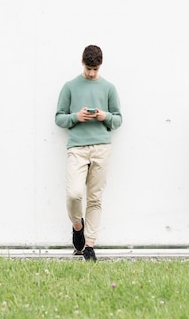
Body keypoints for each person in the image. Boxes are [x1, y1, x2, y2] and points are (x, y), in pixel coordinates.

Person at [55, 45, 122, 262]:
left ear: (100, 65)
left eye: (95, 69)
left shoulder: (109, 88)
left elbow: (118, 119)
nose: (91, 73)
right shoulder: (70, 87)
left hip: (102, 146)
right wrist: (76, 117)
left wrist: (104, 116)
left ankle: (89, 245)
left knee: (95, 198)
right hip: (77, 147)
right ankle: (77, 226)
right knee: (74, 193)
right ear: (82, 63)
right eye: (88, 68)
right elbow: (59, 118)